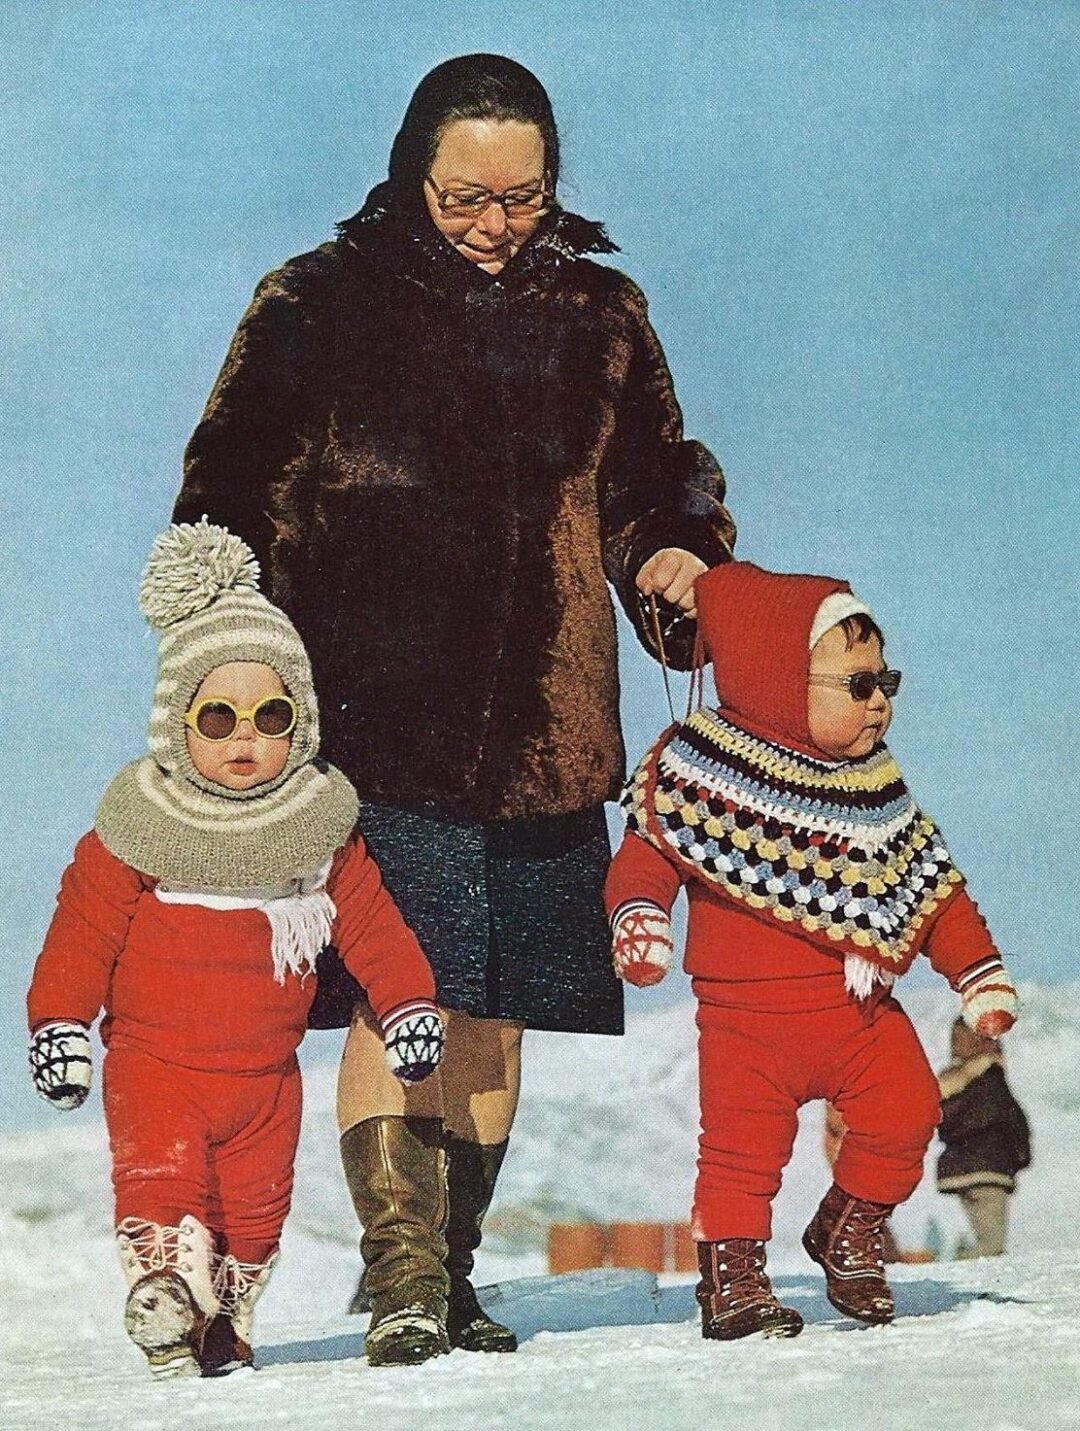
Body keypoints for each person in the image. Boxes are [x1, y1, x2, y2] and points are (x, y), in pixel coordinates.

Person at [171, 53, 736, 1363]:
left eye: (522, 197)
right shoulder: (317, 305)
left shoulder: (602, 311)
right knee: (401, 994)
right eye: (464, 197)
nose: (495, 223)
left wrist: (676, 552)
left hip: (551, 725)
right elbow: (229, 485)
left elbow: (658, 471)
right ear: (411, 173)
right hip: (380, 718)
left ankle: (458, 1269)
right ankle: (404, 1276)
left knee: (495, 1009)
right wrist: (222, 633)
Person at [26, 520, 443, 1378]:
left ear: (303, 721)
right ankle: (164, 1295)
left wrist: (406, 1003)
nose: (245, 736)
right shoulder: (139, 827)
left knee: (255, 1217)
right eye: (218, 715)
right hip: (157, 1061)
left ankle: (222, 1319)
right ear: (178, 720)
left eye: (271, 715)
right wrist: (61, 1022)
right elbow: (81, 929)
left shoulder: (317, 828)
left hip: (265, 1076)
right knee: (164, 1186)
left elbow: (372, 925)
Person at [604, 560, 1021, 1339]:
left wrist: (977, 969)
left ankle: (847, 1228)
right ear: (776, 680)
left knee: (909, 1109)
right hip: (744, 1023)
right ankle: (732, 1279)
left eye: (885, 681)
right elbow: (646, 858)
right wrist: (639, 917)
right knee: (739, 1154)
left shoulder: (877, 791)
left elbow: (931, 890)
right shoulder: (699, 772)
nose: (879, 703)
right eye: (858, 685)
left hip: (856, 1012)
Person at [937, 1017, 1031, 1258]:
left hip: (957, 1172)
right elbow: (1013, 1121)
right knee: (991, 1245)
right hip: (990, 1169)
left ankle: (962, 1264)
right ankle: (960, 1266)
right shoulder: (991, 1079)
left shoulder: (948, 1084)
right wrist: (1020, 1156)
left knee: (983, 1239)